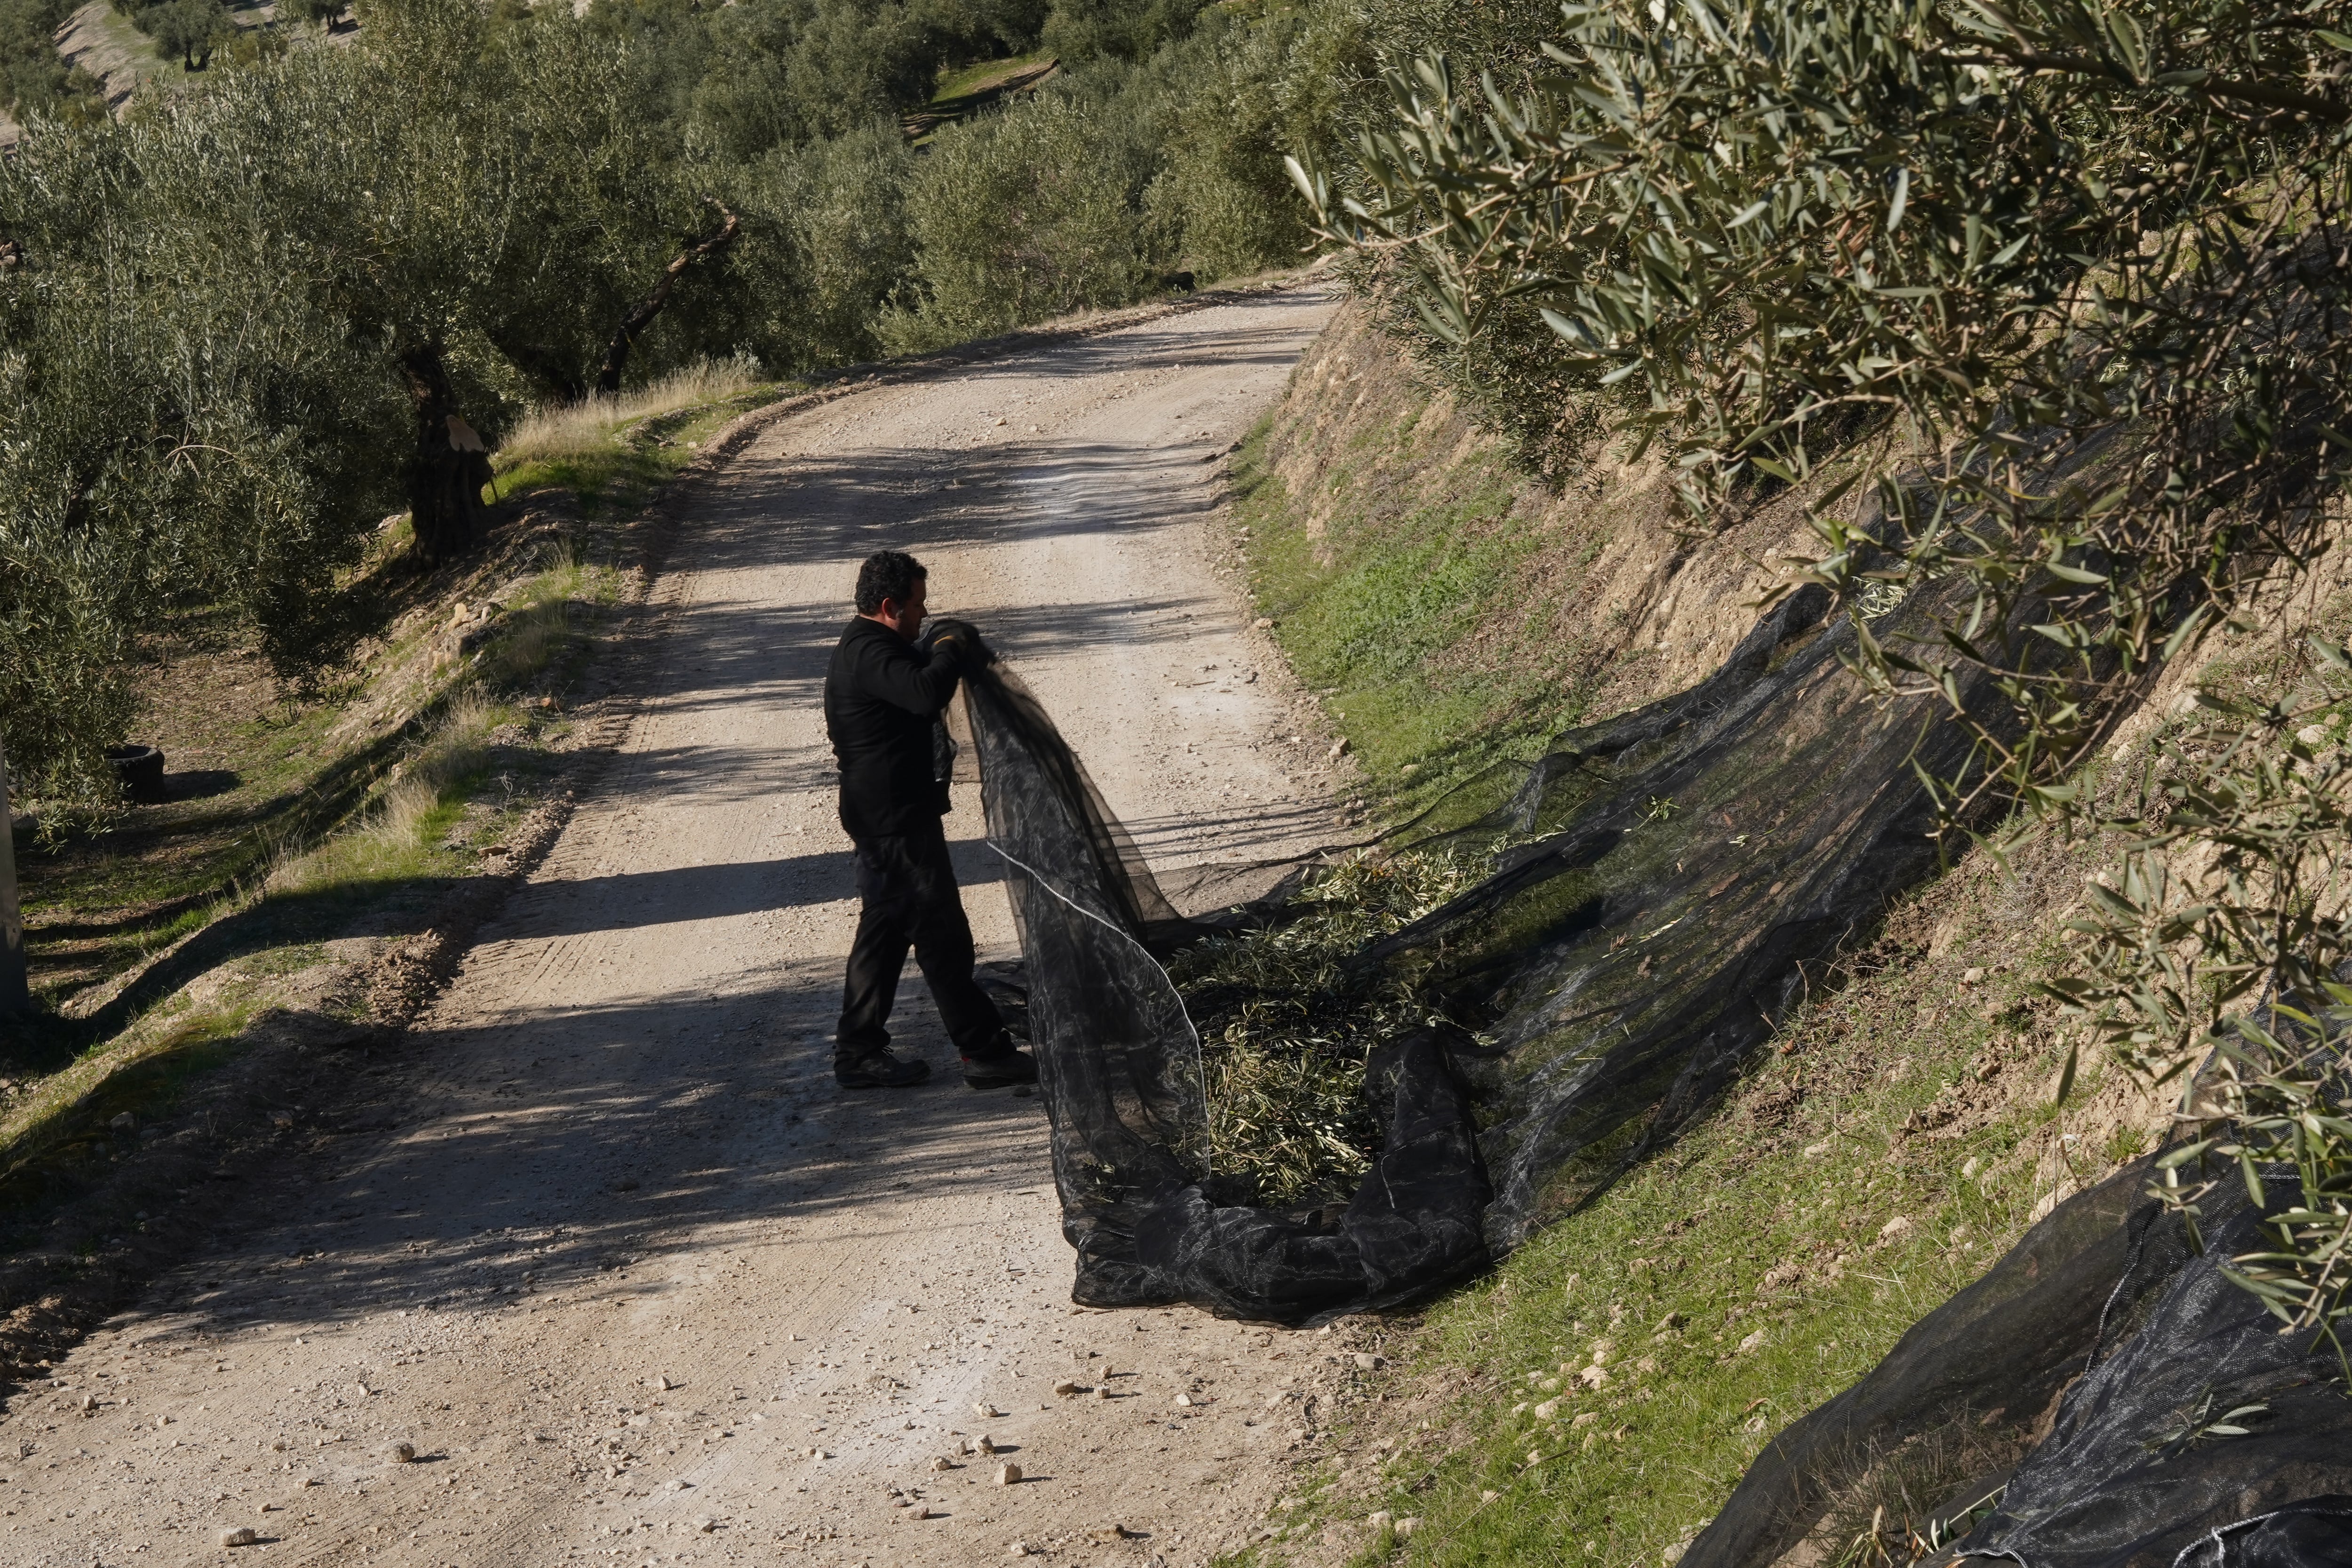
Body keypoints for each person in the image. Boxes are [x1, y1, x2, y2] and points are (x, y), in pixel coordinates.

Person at [824, 550, 1038, 1091]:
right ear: (890, 605)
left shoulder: (874, 646)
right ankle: (984, 1052)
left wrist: (935, 644)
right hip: (893, 821)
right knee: (942, 936)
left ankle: (858, 1051)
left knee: (886, 931)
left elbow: (915, 676)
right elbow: (923, 694)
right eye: (918, 607)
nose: (923, 616)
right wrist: (948, 646)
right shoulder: (868, 652)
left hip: (886, 815)